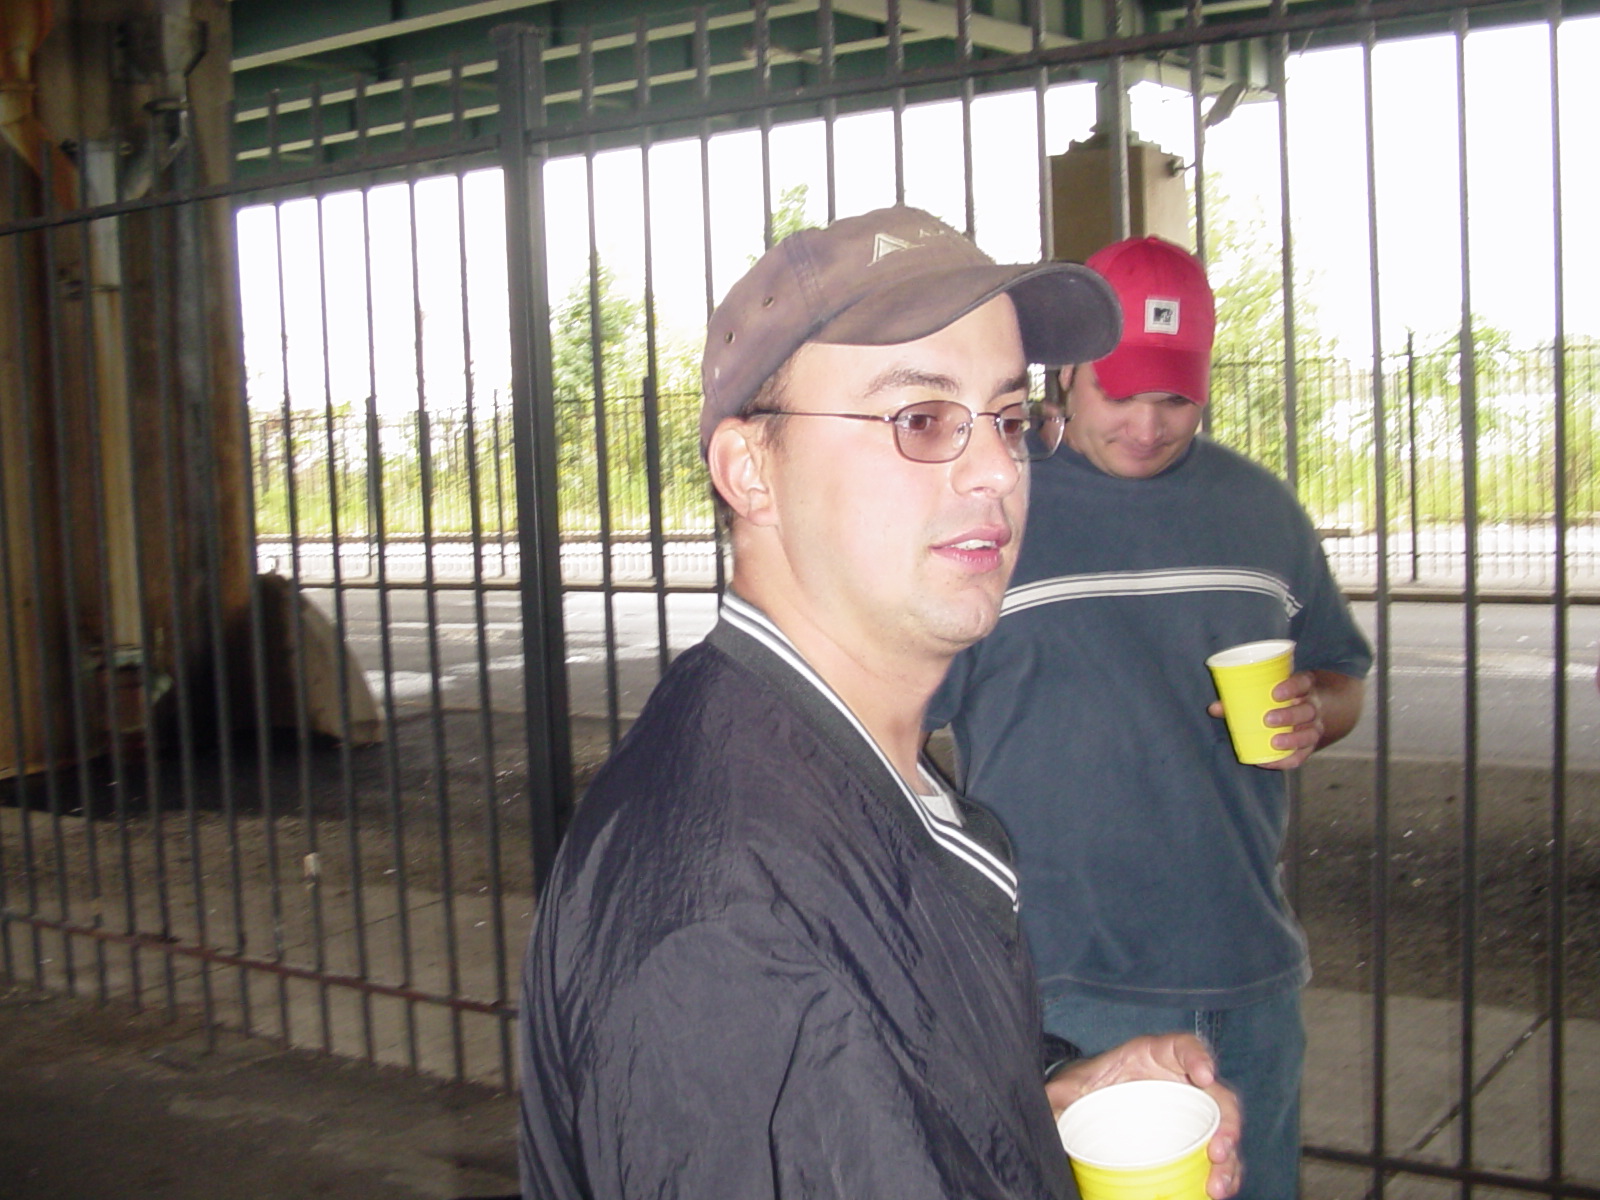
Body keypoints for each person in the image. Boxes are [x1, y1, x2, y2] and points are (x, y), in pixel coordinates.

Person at [519, 208, 1243, 1200]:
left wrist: (1036, 1109)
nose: (997, 469)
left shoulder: (839, 768)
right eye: (921, 419)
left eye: (1008, 419)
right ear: (751, 472)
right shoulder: (733, 927)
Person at [927, 235, 1372, 1200]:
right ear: (1068, 377)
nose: (1146, 424)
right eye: (1121, 393)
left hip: (1248, 973)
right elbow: (895, 724)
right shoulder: (995, 513)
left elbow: (1341, 676)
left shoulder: (1261, 511)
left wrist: (1315, 711)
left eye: (1174, 398)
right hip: (1066, 988)